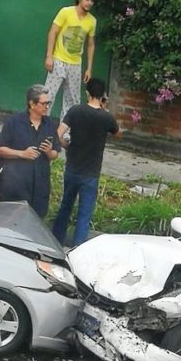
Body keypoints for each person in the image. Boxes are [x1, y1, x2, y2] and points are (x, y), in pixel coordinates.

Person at [52, 78, 121, 246]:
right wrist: (105, 111)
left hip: (72, 168)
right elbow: (118, 134)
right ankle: (77, 249)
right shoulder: (107, 118)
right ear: (103, 95)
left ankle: (55, 242)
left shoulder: (76, 111)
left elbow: (58, 133)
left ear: (87, 93)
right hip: (91, 173)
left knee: (65, 207)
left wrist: (64, 144)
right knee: (84, 213)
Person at [0, 85, 60, 217]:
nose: (47, 106)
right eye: (44, 103)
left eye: (48, 103)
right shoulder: (14, 123)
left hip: (40, 187)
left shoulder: (50, 125)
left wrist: (48, 151)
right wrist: (21, 154)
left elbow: (55, 154)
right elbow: (0, 150)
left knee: (37, 221)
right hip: (16, 185)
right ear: (32, 104)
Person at [44, 0, 97, 119]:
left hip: (75, 64)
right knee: (48, 96)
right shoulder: (66, 12)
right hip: (58, 60)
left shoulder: (92, 21)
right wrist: (49, 56)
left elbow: (90, 45)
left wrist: (89, 69)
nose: (89, 3)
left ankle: (66, 134)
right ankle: (42, 128)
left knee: (72, 101)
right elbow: (53, 32)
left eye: (92, 0)